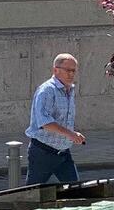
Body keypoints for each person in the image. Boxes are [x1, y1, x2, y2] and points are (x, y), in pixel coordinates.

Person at [24, 53, 84, 186]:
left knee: (75, 189)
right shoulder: (47, 90)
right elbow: (45, 122)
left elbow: (62, 120)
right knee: (33, 192)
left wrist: (73, 134)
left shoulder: (70, 90)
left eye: (73, 71)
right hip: (43, 152)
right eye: (67, 70)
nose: (71, 74)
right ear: (55, 70)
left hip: (63, 152)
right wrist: (70, 134)